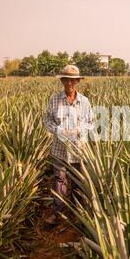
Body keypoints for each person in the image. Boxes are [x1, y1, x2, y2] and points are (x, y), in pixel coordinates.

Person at [43, 64, 94, 225]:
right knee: (60, 180)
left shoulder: (84, 101)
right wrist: (59, 130)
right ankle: (58, 213)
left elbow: (91, 121)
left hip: (79, 149)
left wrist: (80, 129)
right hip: (60, 149)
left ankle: (79, 213)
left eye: (73, 80)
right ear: (62, 81)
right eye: (66, 80)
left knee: (80, 181)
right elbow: (47, 121)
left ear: (78, 81)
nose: (69, 83)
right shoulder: (54, 99)